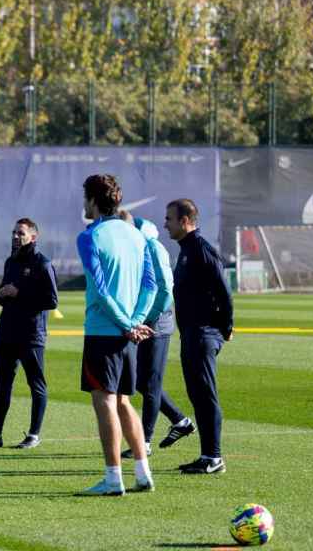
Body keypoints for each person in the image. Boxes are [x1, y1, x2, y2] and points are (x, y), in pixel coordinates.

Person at [76, 174, 157, 496]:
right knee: (123, 401)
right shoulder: (135, 234)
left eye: (85, 198)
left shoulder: (89, 236)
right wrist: (136, 322)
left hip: (104, 331)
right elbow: (150, 285)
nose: (84, 204)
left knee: (105, 402)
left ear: (94, 200)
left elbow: (100, 290)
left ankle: (113, 479)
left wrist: (126, 324)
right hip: (128, 333)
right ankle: (142, 473)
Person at [0, 218, 58, 450]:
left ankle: (33, 435)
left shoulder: (42, 263)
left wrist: (19, 292)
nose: (15, 237)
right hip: (6, 332)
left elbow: (51, 300)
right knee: (2, 386)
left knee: (36, 384)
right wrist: (2, 293)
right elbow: (2, 296)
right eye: (14, 233)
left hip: (31, 335)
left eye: (20, 233)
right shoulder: (10, 262)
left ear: (33, 237)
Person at [118, 210, 195, 459]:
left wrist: (145, 318)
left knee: (150, 383)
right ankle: (180, 421)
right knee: (142, 381)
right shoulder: (137, 245)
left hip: (156, 323)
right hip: (145, 320)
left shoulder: (151, 247)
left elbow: (164, 290)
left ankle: (146, 442)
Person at [164, 198, 233, 474]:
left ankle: (214, 458)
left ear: (184, 221)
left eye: (169, 218)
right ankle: (207, 456)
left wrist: (225, 328)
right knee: (197, 395)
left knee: (205, 395)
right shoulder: (185, 250)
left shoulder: (201, 250)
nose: (165, 224)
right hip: (191, 334)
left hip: (204, 333)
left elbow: (223, 292)